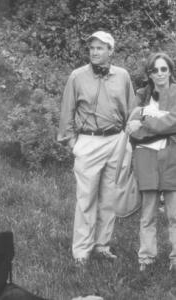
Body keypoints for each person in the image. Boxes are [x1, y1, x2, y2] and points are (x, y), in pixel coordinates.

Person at [58, 31, 135, 265]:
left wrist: (129, 139)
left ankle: (102, 245)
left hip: (116, 140)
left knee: (110, 196)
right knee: (86, 198)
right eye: (91, 48)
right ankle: (81, 251)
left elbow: (132, 111)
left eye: (100, 48)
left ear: (111, 51)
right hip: (88, 141)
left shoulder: (122, 76)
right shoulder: (77, 77)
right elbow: (66, 112)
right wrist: (72, 142)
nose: (94, 52)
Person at [127, 52, 176, 272]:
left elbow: (172, 122)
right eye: (155, 70)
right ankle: (146, 258)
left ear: (170, 71)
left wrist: (145, 120)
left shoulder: (175, 93)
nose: (159, 74)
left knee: (174, 214)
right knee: (148, 213)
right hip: (145, 158)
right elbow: (131, 129)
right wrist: (159, 124)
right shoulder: (141, 95)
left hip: (171, 156)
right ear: (149, 73)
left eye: (163, 69)